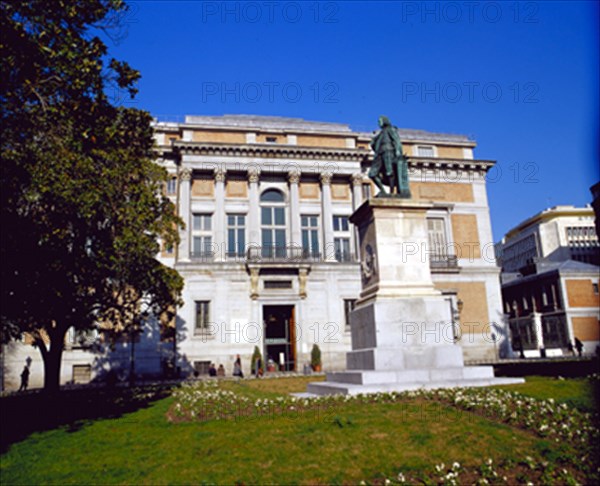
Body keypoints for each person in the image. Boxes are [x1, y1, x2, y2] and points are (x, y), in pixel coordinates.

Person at [369, 116, 411, 198]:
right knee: (372, 174)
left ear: (384, 121)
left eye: (380, 121)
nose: (379, 123)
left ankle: (391, 192)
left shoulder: (390, 129)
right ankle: (383, 191)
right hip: (379, 154)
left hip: (388, 152)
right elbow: (374, 145)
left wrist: (398, 152)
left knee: (389, 172)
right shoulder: (380, 134)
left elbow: (396, 140)